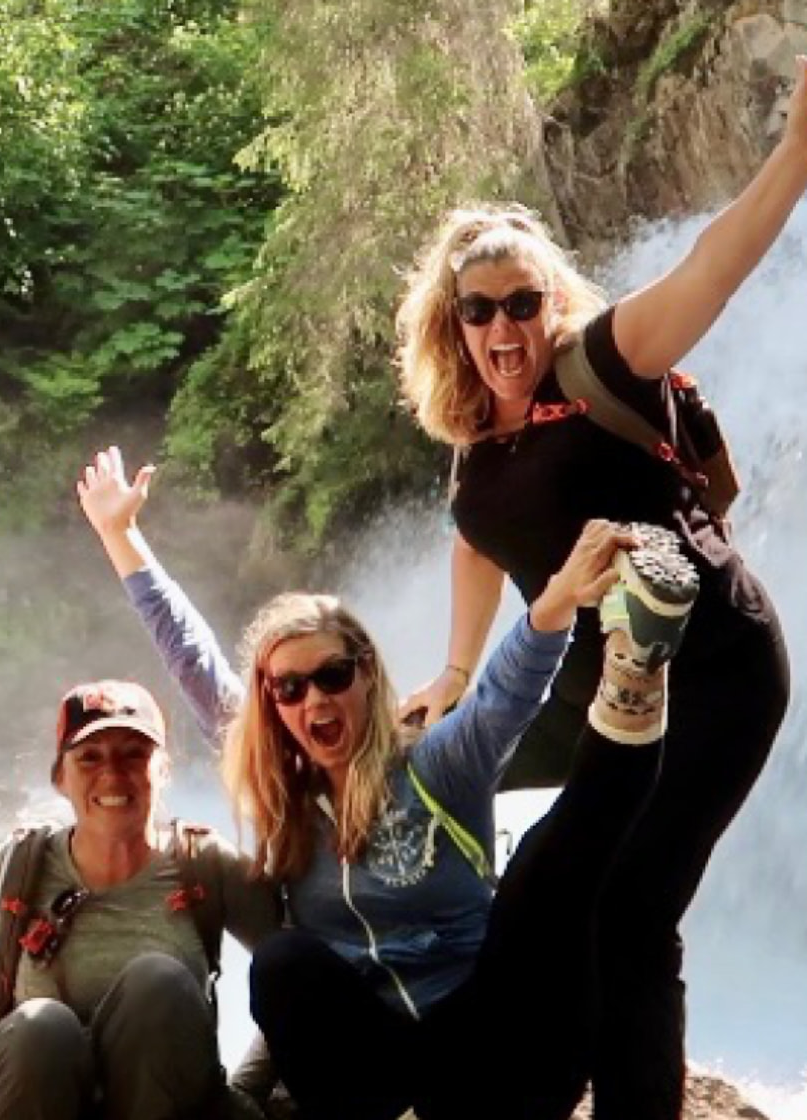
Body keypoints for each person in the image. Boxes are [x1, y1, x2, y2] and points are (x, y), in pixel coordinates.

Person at [392, 58, 804, 1120]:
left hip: (714, 668)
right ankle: (520, 1082)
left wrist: (796, 155)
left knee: (631, 909)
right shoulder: (474, 435)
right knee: (537, 877)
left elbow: (711, 269)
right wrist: (449, 667)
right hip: (601, 691)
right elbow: (476, 540)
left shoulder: (604, 363)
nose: (502, 329)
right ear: (452, 324)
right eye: (478, 310)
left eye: (521, 303)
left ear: (549, 302)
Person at [78, 447, 699, 1120]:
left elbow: (502, 695)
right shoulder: (280, 790)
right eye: (289, 687)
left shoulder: (433, 764)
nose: (313, 699)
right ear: (274, 706)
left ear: (366, 675)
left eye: (333, 675)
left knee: (548, 866)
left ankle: (636, 673)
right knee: (283, 961)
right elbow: (191, 657)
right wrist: (121, 534)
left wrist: (556, 600)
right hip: (383, 1073)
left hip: (501, 1046)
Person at [0, 678, 282, 1120]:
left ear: (163, 769)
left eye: (133, 753)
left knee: (159, 984)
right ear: (59, 778)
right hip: (34, 1100)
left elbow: (296, 986)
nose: (112, 773)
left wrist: (250, 1089)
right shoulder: (13, 872)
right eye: (90, 757)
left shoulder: (205, 865)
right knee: (41, 1029)